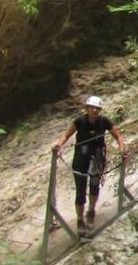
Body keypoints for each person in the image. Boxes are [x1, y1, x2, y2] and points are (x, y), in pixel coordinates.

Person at [52, 95, 126, 233]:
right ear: (87, 108)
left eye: (97, 108)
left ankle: (91, 211)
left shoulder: (104, 121)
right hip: (81, 157)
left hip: (97, 157)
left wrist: (122, 149)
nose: (94, 110)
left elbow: (117, 135)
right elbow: (66, 135)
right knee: (80, 190)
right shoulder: (80, 121)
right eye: (92, 108)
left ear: (100, 110)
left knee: (94, 185)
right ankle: (80, 219)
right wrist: (59, 145)